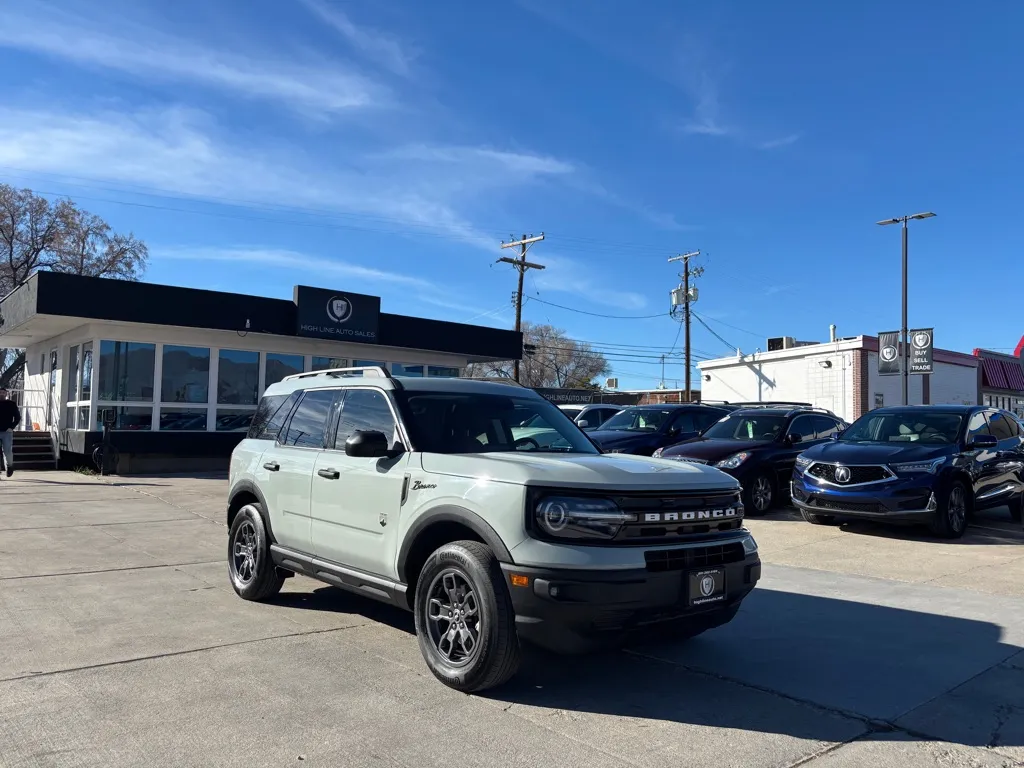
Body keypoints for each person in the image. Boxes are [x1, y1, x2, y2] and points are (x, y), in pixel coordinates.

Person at [0, 386, 20, 478]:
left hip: (7, 432)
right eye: (0, 392)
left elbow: (17, 417)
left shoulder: (11, 404)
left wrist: (11, 427)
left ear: (6, 394)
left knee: (7, 451)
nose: (1, 394)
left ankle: (10, 466)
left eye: (3, 393)